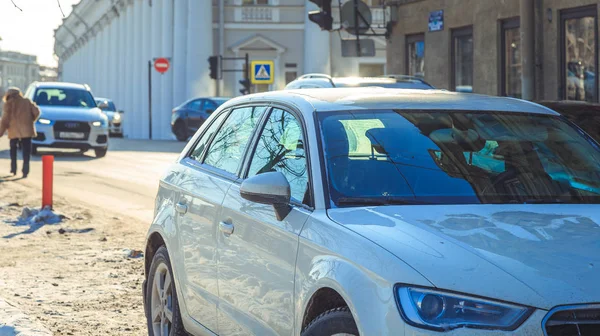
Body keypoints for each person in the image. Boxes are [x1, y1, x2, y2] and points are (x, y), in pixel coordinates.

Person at [0, 87, 41, 178]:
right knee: (26, 152)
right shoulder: (27, 101)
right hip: (26, 130)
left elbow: (5, 119)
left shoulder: (8, 104)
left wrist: (1, 132)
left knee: (13, 150)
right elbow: (37, 111)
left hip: (13, 131)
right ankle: (25, 171)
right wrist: (31, 120)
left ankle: (13, 169)